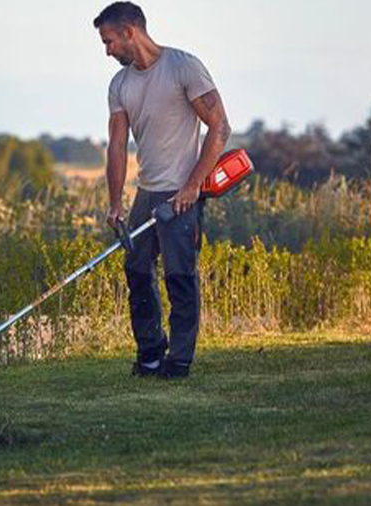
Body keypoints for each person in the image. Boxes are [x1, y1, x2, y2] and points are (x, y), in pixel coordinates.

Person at [94, 2, 231, 378]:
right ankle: (151, 353)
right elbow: (117, 147)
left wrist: (192, 187)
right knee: (137, 270)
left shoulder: (182, 67)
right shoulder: (120, 85)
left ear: (129, 31)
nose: (106, 50)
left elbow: (219, 129)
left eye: (108, 41)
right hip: (148, 192)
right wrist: (115, 204)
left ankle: (180, 359)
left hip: (182, 193)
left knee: (179, 275)